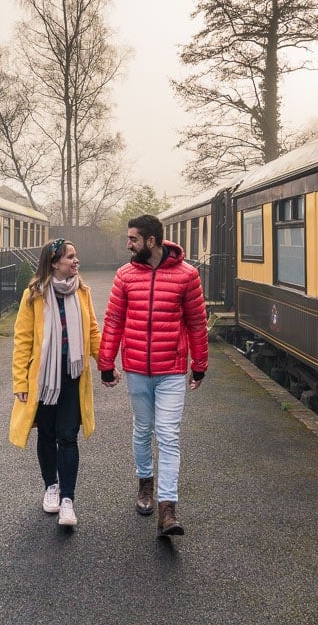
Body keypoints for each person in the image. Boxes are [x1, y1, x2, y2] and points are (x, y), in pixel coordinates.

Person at [99, 214, 208, 537]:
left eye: (133, 239)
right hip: (136, 368)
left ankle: (167, 509)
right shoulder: (124, 276)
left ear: (151, 241)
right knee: (143, 429)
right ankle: (144, 485)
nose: (128, 245)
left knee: (169, 434)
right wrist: (107, 362)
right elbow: (114, 321)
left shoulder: (188, 276)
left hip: (172, 370)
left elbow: (197, 323)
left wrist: (199, 363)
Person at [9, 238, 101, 528]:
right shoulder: (33, 295)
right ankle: (51, 487)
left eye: (75, 256)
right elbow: (23, 340)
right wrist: (20, 382)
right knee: (47, 435)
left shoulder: (82, 291)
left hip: (73, 375)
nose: (76, 261)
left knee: (67, 436)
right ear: (54, 263)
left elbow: (93, 331)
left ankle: (67, 501)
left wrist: (106, 363)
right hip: (44, 379)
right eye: (70, 257)